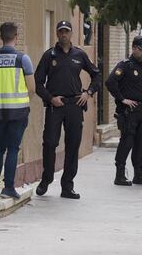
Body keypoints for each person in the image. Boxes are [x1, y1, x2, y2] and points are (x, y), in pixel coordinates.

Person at [34, 20, 101, 199]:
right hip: (56, 105)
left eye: (67, 31)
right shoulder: (49, 55)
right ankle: (46, 179)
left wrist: (88, 92)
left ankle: (67, 185)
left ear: (71, 34)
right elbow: (38, 83)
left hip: (75, 105)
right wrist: (50, 98)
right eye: (61, 31)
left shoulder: (80, 54)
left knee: (73, 145)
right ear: (57, 34)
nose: (64, 34)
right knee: (49, 143)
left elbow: (97, 75)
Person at [0, 22, 35, 199]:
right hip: (18, 111)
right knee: (13, 148)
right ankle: (8, 188)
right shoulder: (22, 59)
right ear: (16, 36)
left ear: (1, 37)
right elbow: (32, 88)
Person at [106, 36, 142, 187]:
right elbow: (110, 82)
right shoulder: (125, 66)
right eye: (141, 50)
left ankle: (138, 174)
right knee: (127, 142)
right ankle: (120, 175)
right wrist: (122, 99)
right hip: (129, 112)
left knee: (141, 143)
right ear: (134, 48)